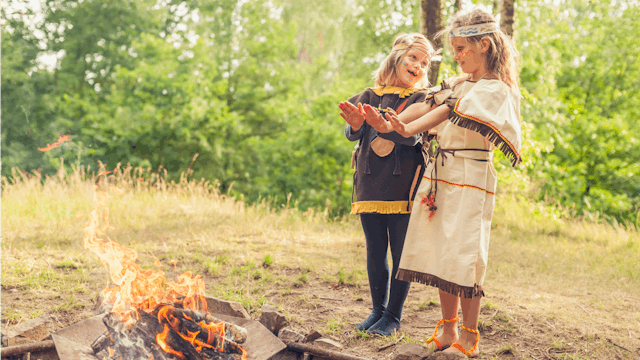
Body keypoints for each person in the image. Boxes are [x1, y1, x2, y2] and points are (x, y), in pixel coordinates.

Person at [363, 8, 521, 357]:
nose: (457, 55)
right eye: (454, 49)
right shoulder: (457, 83)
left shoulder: (495, 89)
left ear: (484, 45)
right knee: (441, 255)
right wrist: (393, 125)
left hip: (472, 175)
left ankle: (469, 336)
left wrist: (403, 128)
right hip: (441, 174)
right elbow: (428, 104)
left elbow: (447, 110)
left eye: (463, 48)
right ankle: (448, 330)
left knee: (464, 255)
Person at [338, 33, 437, 336]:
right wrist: (355, 125)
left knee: (400, 251)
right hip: (369, 182)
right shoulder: (369, 95)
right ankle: (377, 311)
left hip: (403, 185)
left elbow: (413, 135)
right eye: (414, 58)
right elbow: (352, 132)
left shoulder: (422, 99)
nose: (419, 66)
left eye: (424, 63)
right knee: (375, 248)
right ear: (396, 57)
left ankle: (393, 316)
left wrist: (387, 127)